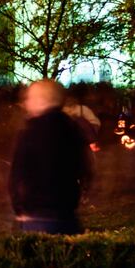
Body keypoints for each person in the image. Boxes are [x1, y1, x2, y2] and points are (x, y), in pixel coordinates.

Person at [8, 79, 91, 235]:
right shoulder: (72, 128)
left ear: (42, 101)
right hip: (66, 210)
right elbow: (84, 166)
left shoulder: (30, 131)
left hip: (36, 213)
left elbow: (18, 173)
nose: (26, 102)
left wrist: (19, 206)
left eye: (30, 98)